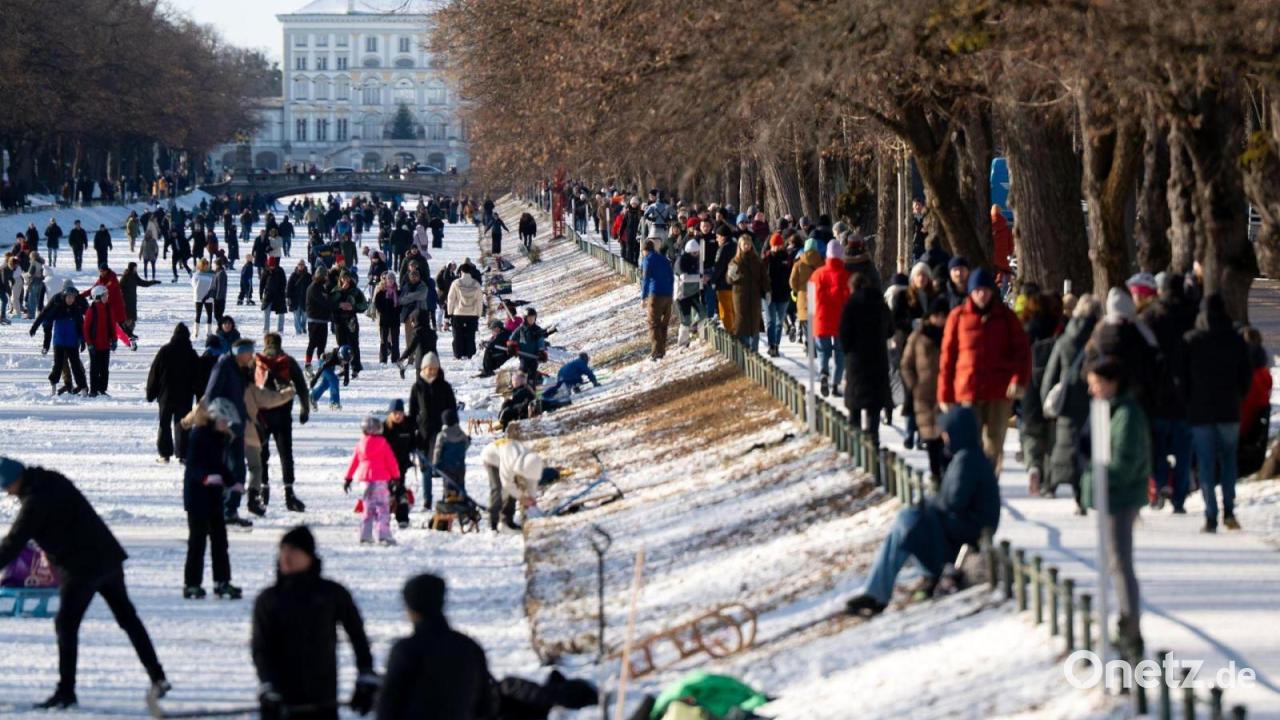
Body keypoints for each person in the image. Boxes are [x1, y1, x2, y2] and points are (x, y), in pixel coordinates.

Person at [0, 458, 169, 710]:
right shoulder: (51, 479)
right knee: (127, 617)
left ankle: (66, 692)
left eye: (6, 487)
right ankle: (158, 676)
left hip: (81, 567)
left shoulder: (35, 501)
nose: (7, 492)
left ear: (15, 480)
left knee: (66, 624)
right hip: (108, 556)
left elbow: (15, 541)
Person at [844, 407, 1000, 616]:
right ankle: (878, 593)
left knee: (908, 522)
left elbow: (953, 501)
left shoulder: (967, 460)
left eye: (946, 432)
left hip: (970, 530)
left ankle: (881, 592)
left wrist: (929, 504)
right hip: (963, 524)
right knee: (905, 525)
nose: (944, 437)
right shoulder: (965, 456)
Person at [253, 526, 377, 720]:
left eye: (293, 551)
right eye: (283, 550)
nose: (286, 556)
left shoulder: (332, 594)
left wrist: (366, 674)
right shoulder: (268, 599)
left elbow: (358, 637)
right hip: (281, 699)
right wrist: (267, 685)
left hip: (322, 698)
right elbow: (261, 648)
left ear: (309, 556)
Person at [1082, 356, 1150, 661]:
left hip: (1121, 497)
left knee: (1121, 562)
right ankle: (1125, 622)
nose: (1092, 389)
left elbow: (1123, 461)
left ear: (1112, 382)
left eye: (1096, 383)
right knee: (1115, 561)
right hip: (1115, 495)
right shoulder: (1112, 411)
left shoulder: (1127, 415)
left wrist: (1094, 480)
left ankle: (1130, 627)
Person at [937, 268, 1031, 474]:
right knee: (970, 443)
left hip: (999, 392)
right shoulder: (958, 317)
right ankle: (971, 484)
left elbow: (1022, 352)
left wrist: (1018, 380)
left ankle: (989, 484)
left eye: (986, 290)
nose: (982, 294)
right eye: (977, 290)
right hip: (967, 391)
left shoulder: (1006, 318)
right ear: (971, 292)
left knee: (994, 444)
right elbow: (947, 359)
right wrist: (944, 394)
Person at [377, 574, 491, 720]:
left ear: (411, 609)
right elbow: (485, 705)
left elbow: (388, 707)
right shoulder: (470, 647)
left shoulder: (406, 650)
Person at [1184, 294, 1253, 532]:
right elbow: (1246, 376)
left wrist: (1188, 400)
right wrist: (1238, 396)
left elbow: (1180, 377)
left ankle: (1211, 514)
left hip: (1200, 411)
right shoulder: (1235, 340)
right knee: (1229, 461)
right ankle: (1230, 510)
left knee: (1205, 464)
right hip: (1228, 410)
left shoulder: (1192, 340)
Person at [1140, 273, 1196, 511]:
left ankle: (1160, 483)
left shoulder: (1151, 317)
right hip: (1185, 395)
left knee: (1158, 447)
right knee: (1183, 451)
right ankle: (1180, 498)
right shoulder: (1192, 315)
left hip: (1158, 395)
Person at [1040, 295, 1101, 513]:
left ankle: (1053, 483)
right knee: (1091, 449)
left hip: (1067, 402)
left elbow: (1051, 373)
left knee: (1064, 446)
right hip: (1094, 399)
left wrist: (1046, 398)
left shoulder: (1064, 339)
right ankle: (1085, 494)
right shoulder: (1100, 340)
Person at [180, 398, 243, 599]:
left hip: (214, 497)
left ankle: (222, 582)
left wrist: (232, 482)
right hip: (197, 497)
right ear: (215, 418)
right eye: (224, 420)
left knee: (220, 541)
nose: (227, 425)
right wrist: (205, 477)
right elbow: (193, 466)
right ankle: (191, 584)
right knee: (197, 542)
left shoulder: (220, 437)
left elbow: (220, 466)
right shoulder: (199, 435)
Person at [839, 271, 893, 444]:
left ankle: (855, 443)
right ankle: (873, 439)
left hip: (856, 361)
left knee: (855, 403)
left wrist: (849, 351)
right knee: (874, 405)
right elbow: (890, 330)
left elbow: (844, 334)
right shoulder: (880, 304)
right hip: (878, 359)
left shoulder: (851, 305)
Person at [902, 297, 950, 482]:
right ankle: (936, 475)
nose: (940, 319)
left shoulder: (951, 334)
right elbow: (906, 364)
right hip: (924, 395)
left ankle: (946, 475)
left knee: (947, 437)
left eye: (943, 316)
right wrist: (914, 385)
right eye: (937, 315)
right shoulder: (918, 337)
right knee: (931, 438)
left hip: (947, 393)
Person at [344, 415, 401, 545]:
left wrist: (348, 478)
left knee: (368, 508)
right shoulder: (383, 443)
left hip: (365, 481)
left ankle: (365, 535)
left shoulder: (360, 444)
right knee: (382, 508)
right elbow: (391, 461)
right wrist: (396, 476)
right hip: (380, 480)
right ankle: (383, 534)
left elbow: (354, 462)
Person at [146, 323, 199, 464]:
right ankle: (183, 454)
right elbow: (198, 376)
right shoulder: (191, 354)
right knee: (182, 424)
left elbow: (154, 373)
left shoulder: (165, 351)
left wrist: (150, 393)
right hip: (185, 396)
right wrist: (198, 394)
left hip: (166, 395)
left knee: (164, 424)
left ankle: (165, 454)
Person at [31, 283, 88, 395]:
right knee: (58, 365)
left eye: (73, 297)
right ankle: (54, 384)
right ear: (64, 297)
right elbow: (46, 318)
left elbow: (81, 326)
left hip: (72, 342)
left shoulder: (76, 309)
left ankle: (83, 388)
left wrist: (82, 340)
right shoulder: (57, 307)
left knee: (76, 365)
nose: (71, 300)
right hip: (59, 341)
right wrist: (36, 329)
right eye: (69, 297)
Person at [810, 239, 851, 397]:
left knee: (822, 351)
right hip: (841, 322)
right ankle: (835, 383)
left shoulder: (817, 275)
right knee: (840, 354)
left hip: (821, 320)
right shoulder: (846, 276)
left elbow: (811, 299)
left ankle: (823, 373)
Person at [480, 437, 544, 531]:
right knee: (497, 489)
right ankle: (493, 524)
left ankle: (507, 521)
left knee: (514, 490)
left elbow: (532, 481)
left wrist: (531, 498)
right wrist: (522, 498)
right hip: (490, 457)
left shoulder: (532, 460)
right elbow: (507, 484)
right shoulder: (509, 461)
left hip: (507, 454)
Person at [727, 235, 765, 353]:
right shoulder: (735, 261)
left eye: (748, 244)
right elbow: (729, 279)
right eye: (744, 244)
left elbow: (764, 277)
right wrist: (732, 276)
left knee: (755, 321)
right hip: (740, 295)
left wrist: (767, 290)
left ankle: (754, 350)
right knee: (742, 321)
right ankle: (744, 348)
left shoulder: (757, 260)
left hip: (754, 295)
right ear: (740, 246)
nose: (747, 246)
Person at [640, 240, 675, 360]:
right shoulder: (664, 259)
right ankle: (662, 350)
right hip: (668, 295)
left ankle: (656, 352)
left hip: (655, 295)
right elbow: (671, 276)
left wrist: (643, 296)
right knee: (663, 324)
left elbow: (645, 279)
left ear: (644, 250)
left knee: (653, 324)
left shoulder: (648, 260)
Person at [330, 271, 368, 380]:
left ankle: (355, 367)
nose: (346, 280)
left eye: (348, 278)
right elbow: (330, 303)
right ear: (340, 279)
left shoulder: (355, 291)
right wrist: (339, 304)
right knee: (341, 344)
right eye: (343, 278)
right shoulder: (335, 290)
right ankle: (343, 367)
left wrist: (353, 307)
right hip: (339, 320)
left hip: (351, 320)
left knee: (353, 344)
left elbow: (364, 305)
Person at [82, 285, 116, 396]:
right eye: (105, 295)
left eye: (107, 294)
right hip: (95, 346)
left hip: (105, 344)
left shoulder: (108, 308)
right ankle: (93, 390)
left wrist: (114, 339)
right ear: (97, 297)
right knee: (95, 369)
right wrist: (90, 344)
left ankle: (102, 389)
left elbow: (112, 325)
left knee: (104, 369)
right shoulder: (91, 311)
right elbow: (86, 329)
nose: (107, 297)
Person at [762, 233, 793, 356]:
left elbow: (791, 274)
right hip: (769, 294)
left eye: (779, 245)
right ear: (771, 245)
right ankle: (771, 345)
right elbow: (761, 276)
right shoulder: (766, 258)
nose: (777, 248)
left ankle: (777, 345)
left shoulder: (787, 258)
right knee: (771, 321)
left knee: (780, 321)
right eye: (775, 245)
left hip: (783, 294)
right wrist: (763, 291)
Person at [789, 237, 822, 348]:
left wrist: (797, 290)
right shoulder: (822, 262)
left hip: (803, 295)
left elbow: (792, 281)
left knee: (805, 321)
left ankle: (809, 343)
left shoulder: (798, 263)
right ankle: (816, 344)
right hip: (818, 294)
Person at [447, 263, 483, 359]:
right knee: (470, 335)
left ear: (461, 272)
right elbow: (479, 300)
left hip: (458, 313)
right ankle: (470, 353)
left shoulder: (456, 283)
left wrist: (450, 312)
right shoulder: (476, 284)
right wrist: (479, 313)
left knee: (458, 335)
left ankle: (458, 354)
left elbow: (451, 299)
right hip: (472, 313)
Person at [305, 268, 334, 368]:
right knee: (312, 344)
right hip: (315, 320)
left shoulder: (321, 287)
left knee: (322, 345)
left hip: (322, 320)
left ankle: (320, 364)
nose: (326, 278)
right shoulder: (314, 288)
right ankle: (308, 364)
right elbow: (324, 301)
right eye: (324, 277)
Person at [261, 256, 288, 335]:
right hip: (268, 295)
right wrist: (260, 294)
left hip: (279, 295)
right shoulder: (265, 271)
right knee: (266, 312)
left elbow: (284, 282)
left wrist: (282, 292)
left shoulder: (280, 271)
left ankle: (280, 329)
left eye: (273, 266)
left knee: (281, 313)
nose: (272, 267)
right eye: (270, 266)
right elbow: (262, 283)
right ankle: (266, 329)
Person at [192, 259, 216, 332]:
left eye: (207, 265)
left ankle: (208, 331)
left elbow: (214, 285)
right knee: (198, 314)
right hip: (199, 296)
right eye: (205, 265)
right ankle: (196, 331)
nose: (206, 266)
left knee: (209, 314)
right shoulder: (196, 274)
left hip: (208, 296)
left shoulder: (212, 274)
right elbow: (194, 284)